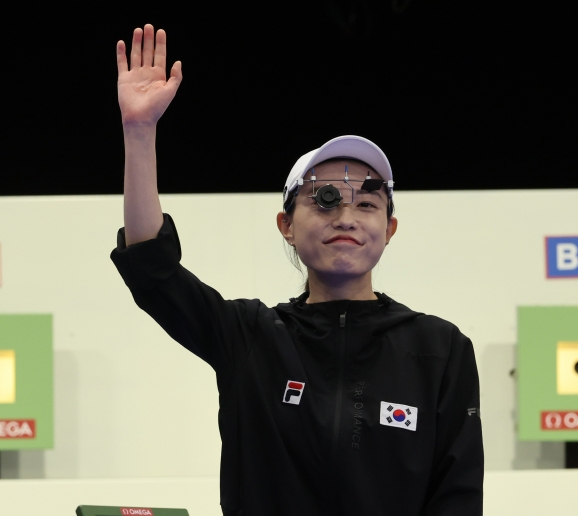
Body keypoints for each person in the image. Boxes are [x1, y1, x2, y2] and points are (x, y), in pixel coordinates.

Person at [111, 24, 483, 516]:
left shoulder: (441, 348)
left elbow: (456, 497)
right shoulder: (249, 337)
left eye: (367, 202)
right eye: (324, 200)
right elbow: (150, 268)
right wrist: (139, 133)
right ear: (286, 224)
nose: (346, 216)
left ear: (390, 228)